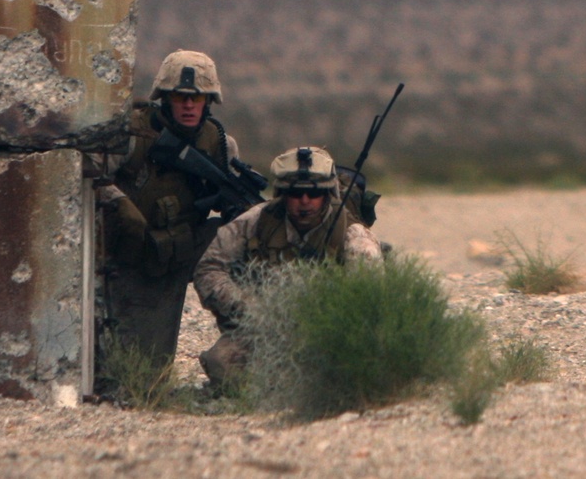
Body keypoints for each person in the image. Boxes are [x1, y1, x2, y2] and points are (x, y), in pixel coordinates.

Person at [96, 49, 241, 370]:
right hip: (125, 259)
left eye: (197, 98)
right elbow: (88, 171)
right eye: (179, 97)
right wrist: (118, 202)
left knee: (238, 243)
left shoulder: (220, 145)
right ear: (164, 98)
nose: (189, 105)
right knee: (136, 373)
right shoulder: (131, 135)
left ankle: (241, 347)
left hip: (180, 251)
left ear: (209, 101)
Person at [193, 145, 383, 389]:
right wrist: (246, 306)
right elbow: (208, 268)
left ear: (327, 195)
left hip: (329, 333)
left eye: (313, 194)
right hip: (264, 331)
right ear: (283, 194)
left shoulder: (354, 236)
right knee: (221, 363)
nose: (304, 202)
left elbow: (370, 298)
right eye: (295, 193)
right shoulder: (257, 220)